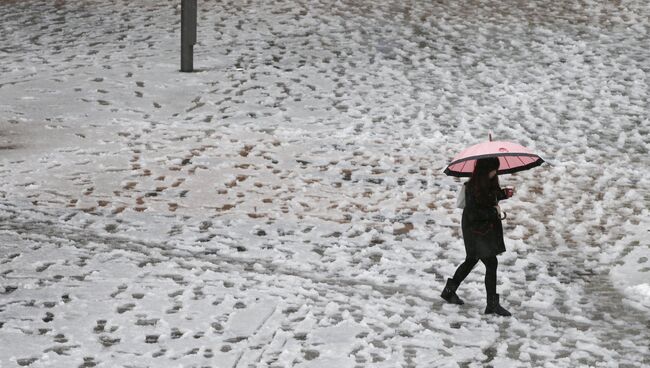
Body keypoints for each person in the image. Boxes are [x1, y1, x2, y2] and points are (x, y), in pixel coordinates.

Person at [441, 157, 513, 316]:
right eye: (494, 169)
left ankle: (449, 291)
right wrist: (494, 211)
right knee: (491, 263)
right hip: (475, 231)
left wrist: (503, 194)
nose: (496, 172)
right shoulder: (473, 187)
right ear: (486, 170)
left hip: (484, 230)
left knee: (471, 260)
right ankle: (492, 305)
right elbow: (474, 213)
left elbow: (489, 197)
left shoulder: (489, 182)